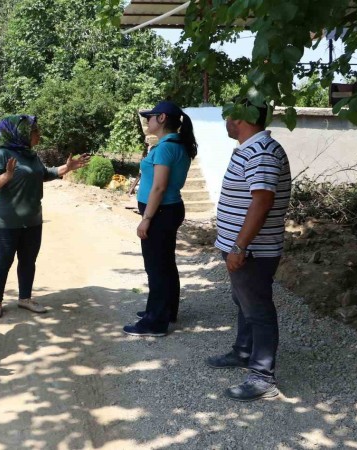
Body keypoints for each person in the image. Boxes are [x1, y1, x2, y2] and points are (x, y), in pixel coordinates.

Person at [206, 99, 291, 401]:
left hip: (253, 251)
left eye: (229, 115)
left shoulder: (262, 152)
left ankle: (263, 377)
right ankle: (243, 352)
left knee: (258, 309)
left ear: (242, 118)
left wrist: (240, 246)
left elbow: (262, 200)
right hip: (245, 249)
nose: (226, 120)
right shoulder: (251, 149)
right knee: (244, 302)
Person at [0, 115, 89, 319]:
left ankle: (25, 299)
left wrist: (67, 168)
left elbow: (44, 174)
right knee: (2, 261)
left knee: (28, 261)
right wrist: (6, 176)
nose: (39, 134)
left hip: (32, 220)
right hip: (5, 222)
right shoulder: (3, 154)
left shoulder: (31, 155)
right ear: (20, 133)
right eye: (35, 131)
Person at [123, 101, 198, 337]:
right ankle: (165, 311)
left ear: (162, 118)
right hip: (168, 210)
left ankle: (155, 322)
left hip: (160, 212)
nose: (148, 120)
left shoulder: (166, 148)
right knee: (165, 263)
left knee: (156, 267)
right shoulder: (175, 144)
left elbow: (159, 187)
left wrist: (146, 218)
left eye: (151, 116)